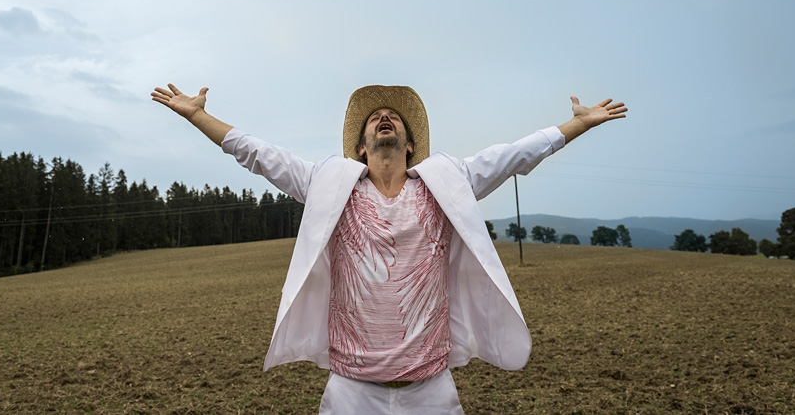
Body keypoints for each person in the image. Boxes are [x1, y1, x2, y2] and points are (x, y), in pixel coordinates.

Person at [151, 83, 627, 414]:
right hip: (351, 390)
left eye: (394, 117)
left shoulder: (445, 182)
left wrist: (575, 126)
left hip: (431, 389)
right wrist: (198, 116)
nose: (384, 118)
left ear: (410, 144)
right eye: (375, 118)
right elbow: (257, 154)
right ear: (360, 148)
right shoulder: (328, 184)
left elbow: (513, 155)